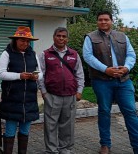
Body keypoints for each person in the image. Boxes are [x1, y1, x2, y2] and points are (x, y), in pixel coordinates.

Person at [83, 10, 138, 154]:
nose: (103, 22)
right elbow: (88, 56)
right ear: (97, 21)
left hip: (123, 81)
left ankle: (136, 145)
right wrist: (105, 69)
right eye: (100, 19)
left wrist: (126, 67)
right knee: (104, 112)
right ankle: (105, 144)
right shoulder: (90, 37)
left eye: (106, 19)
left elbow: (131, 54)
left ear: (111, 21)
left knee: (131, 112)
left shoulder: (122, 36)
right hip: (102, 81)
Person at [38, 27, 84, 154]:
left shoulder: (74, 54)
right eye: (59, 36)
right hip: (52, 95)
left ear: (67, 39)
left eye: (64, 36)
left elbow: (80, 74)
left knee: (67, 125)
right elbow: (40, 75)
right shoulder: (45, 54)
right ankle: (51, 150)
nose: (61, 38)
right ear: (54, 37)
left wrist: (79, 91)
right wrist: (44, 92)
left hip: (70, 95)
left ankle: (65, 149)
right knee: (50, 125)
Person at [0, 26, 43, 154]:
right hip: (12, 99)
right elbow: (0, 74)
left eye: (28, 41)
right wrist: (19, 76)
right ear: (16, 40)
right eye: (22, 40)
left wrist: (36, 76)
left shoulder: (33, 54)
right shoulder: (7, 53)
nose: (25, 43)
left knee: (25, 130)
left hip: (29, 99)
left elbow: (41, 74)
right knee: (10, 131)